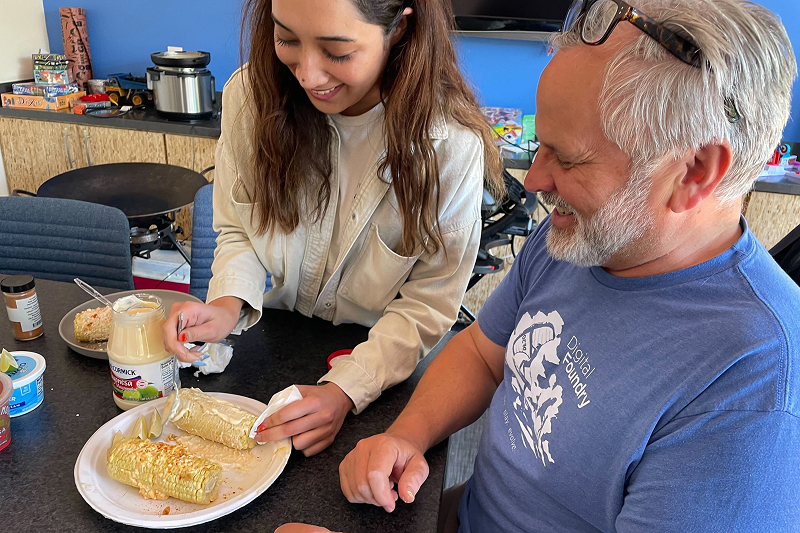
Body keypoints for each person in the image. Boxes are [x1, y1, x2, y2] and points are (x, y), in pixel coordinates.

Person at [332, 0, 800, 531]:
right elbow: (484, 354)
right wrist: (406, 435)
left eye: (569, 159)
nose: (533, 181)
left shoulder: (751, 391)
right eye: (539, 148)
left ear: (694, 171)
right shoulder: (585, 238)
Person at [162, 0, 501, 457]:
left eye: (337, 53)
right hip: (269, 340)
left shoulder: (449, 146)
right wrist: (226, 305)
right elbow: (239, 227)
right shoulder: (251, 97)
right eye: (287, 40)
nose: (308, 75)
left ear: (399, 28)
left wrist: (347, 390)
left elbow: (427, 304)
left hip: (376, 359)